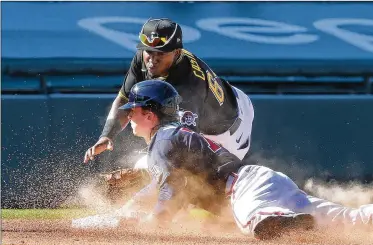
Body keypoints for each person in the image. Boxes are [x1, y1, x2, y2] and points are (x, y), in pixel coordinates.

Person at [73, 80, 373, 240]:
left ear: (147, 112)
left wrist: (148, 223)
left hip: (249, 189)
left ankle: (277, 222)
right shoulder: (170, 140)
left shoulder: (162, 142)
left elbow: (164, 204)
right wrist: (85, 222)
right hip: (263, 181)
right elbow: (151, 199)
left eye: (130, 112)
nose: (125, 120)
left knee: (258, 222)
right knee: (352, 219)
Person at [83, 18, 254, 167]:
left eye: (161, 53)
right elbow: (124, 99)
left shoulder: (187, 85)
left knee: (203, 186)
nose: (153, 58)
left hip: (228, 132)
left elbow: (183, 145)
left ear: (177, 52)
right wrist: (107, 136)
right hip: (213, 107)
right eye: (148, 51)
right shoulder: (142, 58)